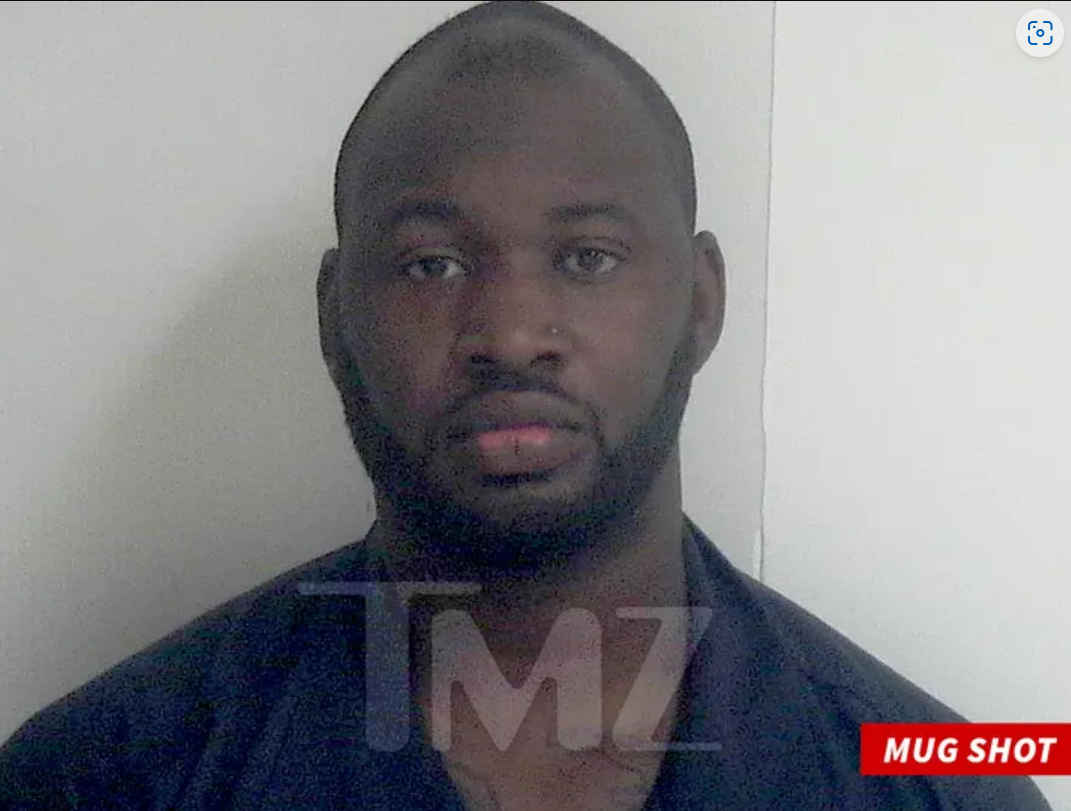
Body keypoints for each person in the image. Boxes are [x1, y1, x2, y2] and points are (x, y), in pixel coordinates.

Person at [0, 2, 1053, 809]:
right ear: (333, 318)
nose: (508, 334)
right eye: (432, 264)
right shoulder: (97, 779)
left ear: (700, 304)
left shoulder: (944, 790)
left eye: (587, 256)